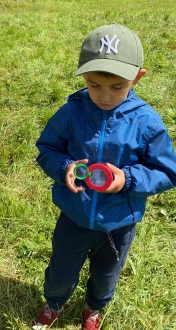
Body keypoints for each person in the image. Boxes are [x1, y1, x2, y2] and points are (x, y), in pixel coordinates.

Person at [32, 23, 176, 330]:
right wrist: (63, 167)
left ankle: (94, 310)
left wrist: (127, 180)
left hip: (119, 223)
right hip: (74, 215)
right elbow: (46, 149)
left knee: (107, 273)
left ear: (137, 77)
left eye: (117, 87)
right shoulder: (72, 113)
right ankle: (53, 302)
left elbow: (167, 171)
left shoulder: (147, 122)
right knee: (61, 269)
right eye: (94, 85)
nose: (104, 96)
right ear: (84, 75)